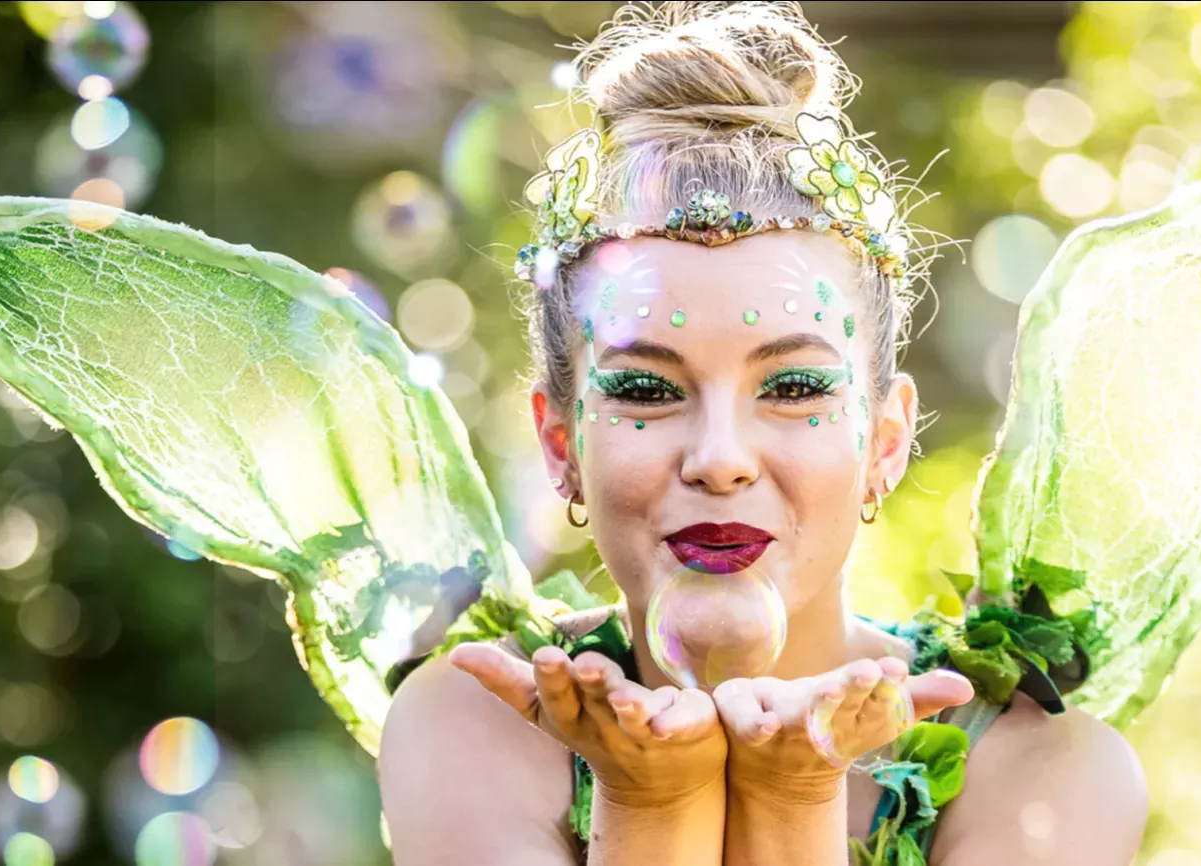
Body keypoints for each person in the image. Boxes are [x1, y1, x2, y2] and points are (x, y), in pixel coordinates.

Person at [378, 3, 1147, 863]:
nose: (719, 461)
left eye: (792, 386)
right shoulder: (478, 718)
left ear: (883, 443)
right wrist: (652, 803)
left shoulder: (1041, 766)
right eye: (644, 388)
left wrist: (794, 796)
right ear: (562, 446)